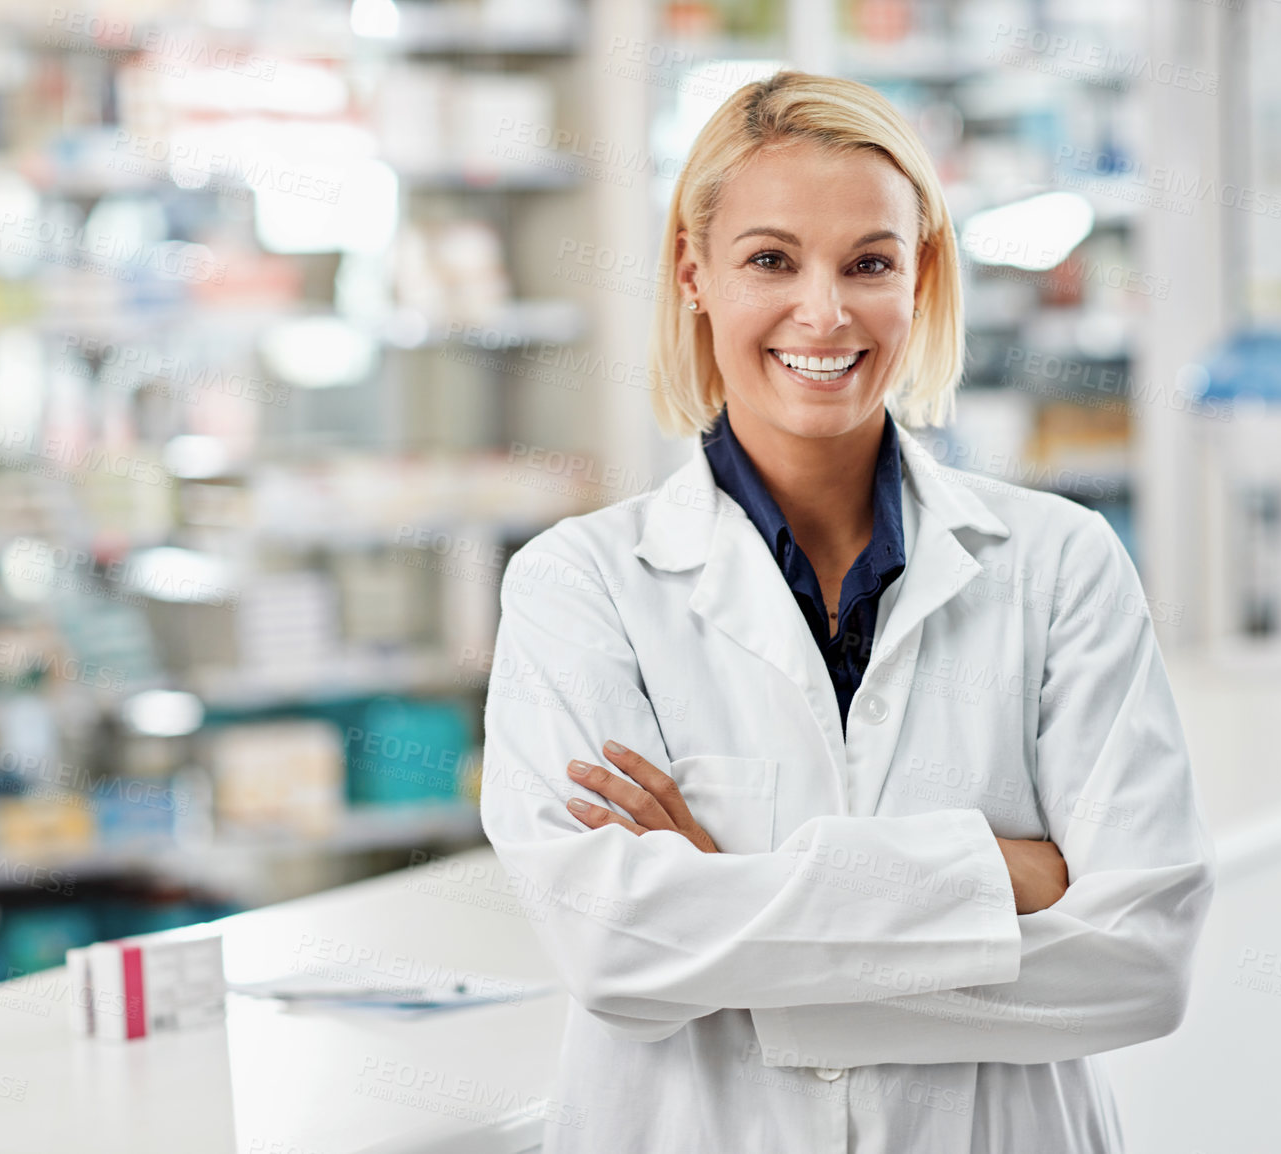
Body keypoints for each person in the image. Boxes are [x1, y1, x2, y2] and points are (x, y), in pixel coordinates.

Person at [479, 70, 1215, 1153]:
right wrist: (993, 873)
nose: (822, 312)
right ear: (695, 273)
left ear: (919, 277)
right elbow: (613, 950)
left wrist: (727, 919)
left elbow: (1140, 963)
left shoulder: (1061, 563)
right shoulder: (579, 583)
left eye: (868, 263)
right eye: (770, 260)